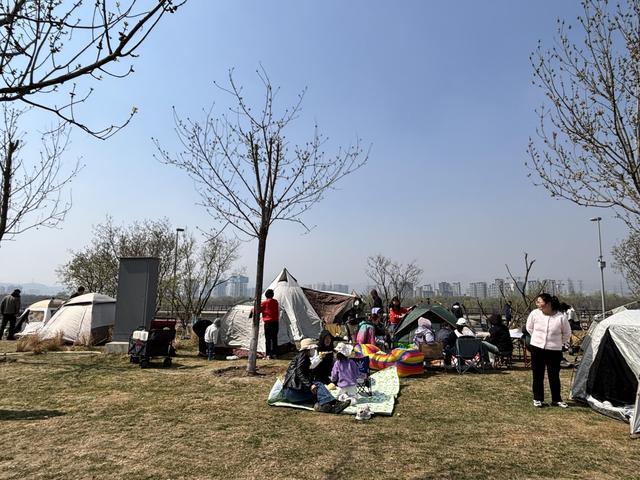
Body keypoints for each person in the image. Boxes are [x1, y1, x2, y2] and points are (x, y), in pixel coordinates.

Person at [526, 293, 571, 408]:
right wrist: (538, 339)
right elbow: (529, 328)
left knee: (554, 375)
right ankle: (537, 398)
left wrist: (557, 343)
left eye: (539, 302)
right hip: (537, 348)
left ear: (548, 304)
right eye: (537, 302)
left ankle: (556, 399)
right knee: (537, 374)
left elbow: (567, 333)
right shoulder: (535, 314)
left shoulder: (560, 317)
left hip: (554, 350)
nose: (537, 304)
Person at [282, 338, 350, 414]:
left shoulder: (301, 358)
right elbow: (300, 372)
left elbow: (308, 368)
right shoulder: (302, 356)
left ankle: (326, 407)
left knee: (319, 395)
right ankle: (335, 403)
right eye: (313, 348)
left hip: (291, 393)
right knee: (318, 385)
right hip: (293, 391)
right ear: (308, 349)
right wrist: (310, 385)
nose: (314, 350)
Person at [261, 289, 280, 359]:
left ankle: (268, 354)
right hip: (275, 322)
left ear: (266, 295)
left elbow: (258, 309)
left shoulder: (264, 303)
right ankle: (275, 353)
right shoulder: (276, 302)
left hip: (268, 323)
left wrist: (252, 310)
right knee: (274, 338)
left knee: (268, 339)